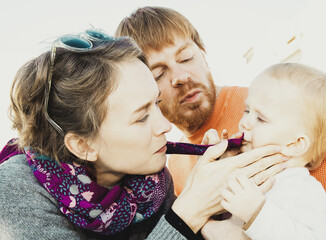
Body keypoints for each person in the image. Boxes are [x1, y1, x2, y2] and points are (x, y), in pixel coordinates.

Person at [0, 29, 284, 240]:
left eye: (156, 105)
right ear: (83, 145)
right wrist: (187, 212)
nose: (165, 127)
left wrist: (223, 197)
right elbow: (179, 225)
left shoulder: (150, 183)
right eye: (141, 117)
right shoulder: (14, 190)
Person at [115, 6, 326, 239]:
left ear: (203, 53)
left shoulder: (281, 112)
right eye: (159, 74)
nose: (180, 76)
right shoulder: (173, 166)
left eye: (186, 58)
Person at [205, 62, 326, 239]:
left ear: (295, 144)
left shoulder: (302, 189)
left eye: (261, 119)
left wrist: (256, 213)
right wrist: (219, 165)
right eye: (247, 110)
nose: (244, 122)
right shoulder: (247, 172)